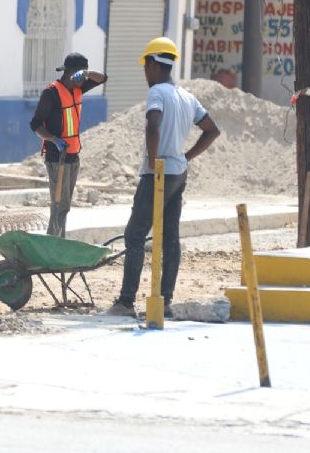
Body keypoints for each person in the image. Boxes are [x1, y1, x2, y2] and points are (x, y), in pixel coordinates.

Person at [105, 38, 221, 318]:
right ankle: (165, 300)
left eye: (146, 67)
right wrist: (186, 156)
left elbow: (153, 124)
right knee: (170, 237)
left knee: (134, 236)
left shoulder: (157, 92)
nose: (145, 73)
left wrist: (155, 161)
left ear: (154, 65)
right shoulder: (186, 96)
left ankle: (125, 302)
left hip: (157, 175)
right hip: (178, 173)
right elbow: (211, 130)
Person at [29, 52, 108, 238]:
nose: (84, 79)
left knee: (64, 205)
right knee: (59, 204)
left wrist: (87, 75)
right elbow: (35, 124)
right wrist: (54, 140)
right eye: (81, 73)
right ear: (70, 72)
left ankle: (57, 240)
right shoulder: (51, 93)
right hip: (57, 158)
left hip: (73, 156)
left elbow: (103, 78)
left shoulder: (79, 87)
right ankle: (52, 243)